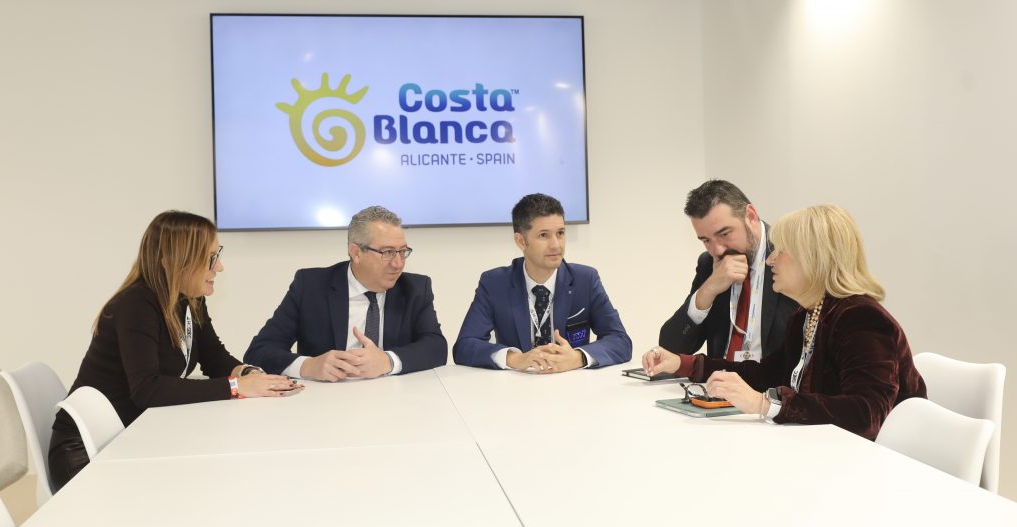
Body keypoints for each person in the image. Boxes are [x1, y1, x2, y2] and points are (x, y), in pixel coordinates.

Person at [49, 211, 296, 490]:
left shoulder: (189, 299)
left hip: (131, 437)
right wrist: (236, 387)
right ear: (174, 262)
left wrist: (249, 374)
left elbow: (214, 357)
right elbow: (147, 389)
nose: (219, 267)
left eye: (217, 255)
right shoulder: (136, 304)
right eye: (210, 258)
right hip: (87, 452)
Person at [642, 204, 926, 440]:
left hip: (880, 464)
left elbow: (866, 415)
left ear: (812, 258)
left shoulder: (861, 319)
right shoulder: (807, 315)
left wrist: (764, 404)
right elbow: (766, 374)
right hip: (828, 451)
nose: (770, 260)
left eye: (781, 251)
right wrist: (683, 364)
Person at [244, 206, 447, 379]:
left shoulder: (415, 288)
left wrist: (388, 361)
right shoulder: (311, 287)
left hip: (396, 400)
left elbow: (437, 347)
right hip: (325, 402)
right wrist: (308, 366)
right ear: (356, 253)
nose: (398, 263)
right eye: (388, 252)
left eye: (402, 251)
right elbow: (259, 351)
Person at [453, 193, 632, 372]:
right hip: (517, 384)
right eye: (544, 235)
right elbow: (464, 346)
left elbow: (620, 341)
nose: (556, 245)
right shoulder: (495, 283)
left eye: (560, 233)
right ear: (521, 241)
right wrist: (515, 358)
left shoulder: (585, 280)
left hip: (572, 383)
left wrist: (577, 358)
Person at [658, 179, 798, 362]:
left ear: (750, 216)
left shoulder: (791, 256)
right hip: (718, 377)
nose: (717, 250)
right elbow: (669, 349)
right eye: (706, 240)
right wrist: (707, 291)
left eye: (724, 234)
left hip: (768, 378)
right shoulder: (710, 265)